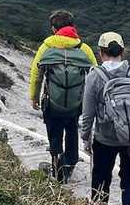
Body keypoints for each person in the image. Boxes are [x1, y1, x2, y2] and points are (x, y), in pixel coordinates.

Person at [79, 31, 130, 205]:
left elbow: (87, 114)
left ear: (100, 52)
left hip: (105, 138)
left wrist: (85, 138)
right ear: (123, 50)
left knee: (101, 178)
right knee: (129, 179)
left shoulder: (95, 76)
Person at [28, 10, 96, 182]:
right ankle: (70, 162)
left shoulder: (47, 47)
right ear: (73, 26)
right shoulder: (83, 48)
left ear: (54, 29)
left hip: (52, 102)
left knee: (54, 131)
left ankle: (56, 161)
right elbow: (96, 76)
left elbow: (36, 74)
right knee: (72, 130)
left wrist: (34, 96)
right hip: (75, 103)